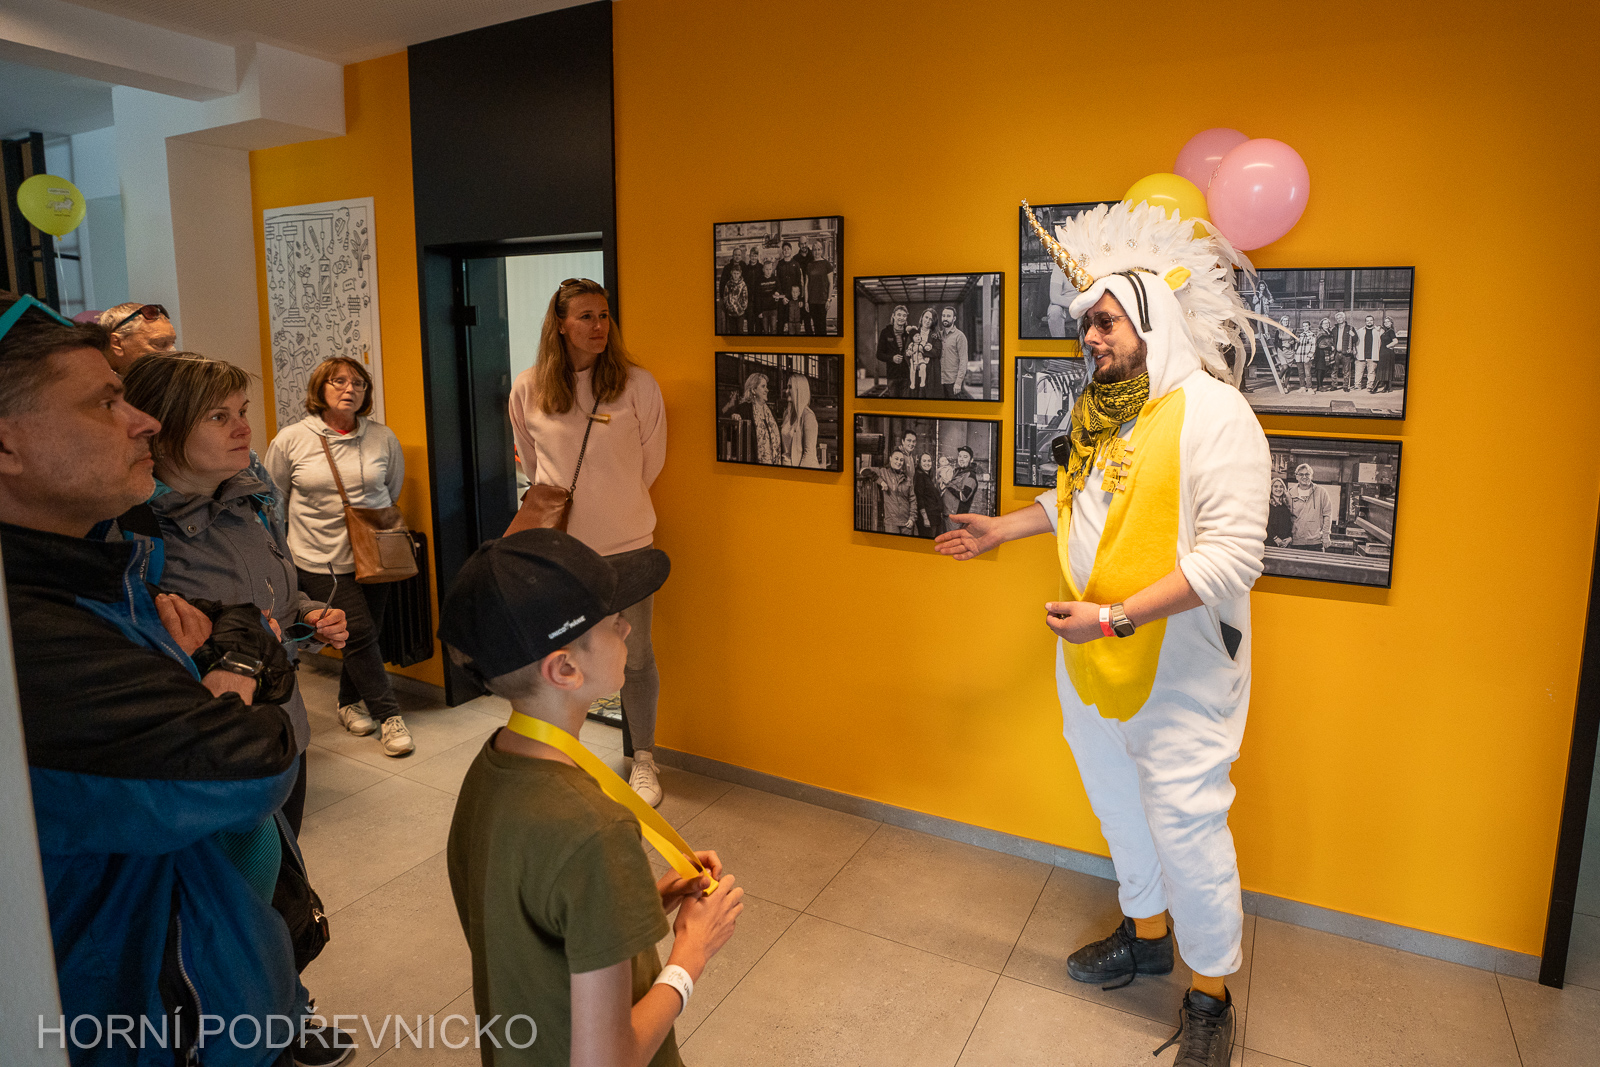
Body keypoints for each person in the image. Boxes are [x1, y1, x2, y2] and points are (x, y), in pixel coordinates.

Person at [938, 201, 1273, 1067]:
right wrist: (1003, 528)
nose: (1090, 335)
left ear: (1152, 324)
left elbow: (1233, 558)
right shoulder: (1105, 411)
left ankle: (1210, 996)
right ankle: (1148, 934)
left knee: (1188, 826)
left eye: (1107, 320)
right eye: (1086, 322)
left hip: (1179, 670)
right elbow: (1078, 501)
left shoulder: (1216, 415)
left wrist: (1117, 618)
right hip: (1089, 662)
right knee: (1119, 805)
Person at [0, 296, 323, 1066]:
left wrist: (231, 668)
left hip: (212, 973)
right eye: (106, 402)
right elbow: (250, 763)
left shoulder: (104, 571)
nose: (140, 419)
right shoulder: (34, 634)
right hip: (149, 1021)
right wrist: (231, 683)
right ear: (7, 443)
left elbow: (248, 627)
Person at [440, 530, 744, 1067]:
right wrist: (690, 955)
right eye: (612, 621)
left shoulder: (490, 769)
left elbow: (540, 932)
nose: (626, 626)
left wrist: (641, 898)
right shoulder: (594, 830)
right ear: (565, 668)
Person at [120, 354, 350, 834]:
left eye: (242, 411)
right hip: (208, 756)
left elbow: (276, 599)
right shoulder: (133, 532)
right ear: (162, 428)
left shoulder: (253, 501)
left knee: (286, 866)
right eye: (218, 416)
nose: (243, 428)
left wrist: (309, 619)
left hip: (284, 730)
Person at [509, 278, 670, 807]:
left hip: (629, 547)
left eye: (604, 316)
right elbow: (534, 467)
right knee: (566, 655)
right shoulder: (528, 388)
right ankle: (564, 754)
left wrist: (614, 505)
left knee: (635, 655)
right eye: (586, 317)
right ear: (560, 324)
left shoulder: (636, 385)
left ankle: (643, 758)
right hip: (564, 553)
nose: (599, 326)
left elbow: (651, 463)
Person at [264, 355, 414, 757]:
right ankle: (389, 715)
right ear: (321, 388)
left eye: (359, 383)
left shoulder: (382, 437)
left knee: (367, 634)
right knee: (358, 632)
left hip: (375, 555)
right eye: (339, 381)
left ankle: (348, 703)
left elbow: (391, 489)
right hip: (317, 556)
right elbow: (274, 500)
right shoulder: (292, 439)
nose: (350, 389)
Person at [97, 300, 178, 373]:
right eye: (159, 344)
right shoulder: (94, 382)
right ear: (117, 343)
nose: (173, 353)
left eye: (172, 343)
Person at [860, 449, 915, 534]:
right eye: (896, 459)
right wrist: (880, 481)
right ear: (890, 459)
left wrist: (912, 518)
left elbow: (912, 499)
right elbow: (863, 470)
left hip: (906, 522)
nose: (899, 462)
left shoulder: (907, 478)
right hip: (891, 523)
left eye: (901, 460)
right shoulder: (883, 472)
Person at [731, 372, 780, 465]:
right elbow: (734, 438)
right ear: (753, 390)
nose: (767, 390)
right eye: (763, 386)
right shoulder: (743, 409)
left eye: (766, 386)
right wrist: (734, 420)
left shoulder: (771, 412)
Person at [1286, 462, 1335, 550]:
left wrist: (1326, 535)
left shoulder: (1321, 492)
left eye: (1307, 474)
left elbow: (1327, 515)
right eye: (1301, 474)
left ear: (1311, 476)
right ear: (1296, 476)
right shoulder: (1290, 493)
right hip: (1296, 540)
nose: (1304, 477)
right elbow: (1285, 516)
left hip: (1316, 541)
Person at [779, 373, 820, 468]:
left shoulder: (808, 416)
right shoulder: (786, 414)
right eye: (787, 387)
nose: (786, 391)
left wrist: (798, 474)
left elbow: (809, 454)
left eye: (790, 387)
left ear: (799, 390)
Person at [876, 305, 911, 397]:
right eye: (899, 315)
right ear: (893, 316)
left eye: (904, 315)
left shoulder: (909, 333)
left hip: (907, 375)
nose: (901, 318)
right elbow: (879, 354)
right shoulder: (885, 332)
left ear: (906, 318)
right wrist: (892, 358)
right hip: (892, 375)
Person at [802, 238, 833, 335]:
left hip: (822, 301)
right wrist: (806, 302)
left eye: (819, 249)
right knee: (815, 326)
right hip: (812, 301)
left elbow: (831, 283)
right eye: (815, 250)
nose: (817, 252)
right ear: (812, 251)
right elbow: (806, 285)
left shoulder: (827, 264)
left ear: (822, 250)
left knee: (822, 327)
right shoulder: (809, 265)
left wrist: (828, 300)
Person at [938, 306, 969, 399]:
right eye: (943, 316)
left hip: (953, 382)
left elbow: (963, 361)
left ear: (954, 318)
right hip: (939, 381)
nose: (945, 318)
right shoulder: (938, 335)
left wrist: (958, 382)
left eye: (948, 316)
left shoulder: (960, 336)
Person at [913, 452, 945, 537]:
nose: (927, 463)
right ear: (919, 463)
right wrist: (925, 518)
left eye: (929, 461)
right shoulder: (920, 476)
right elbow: (919, 498)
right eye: (924, 461)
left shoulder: (927, 476)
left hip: (934, 517)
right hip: (928, 519)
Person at [776, 241, 804, 336]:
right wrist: (782, 297)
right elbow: (778, 283)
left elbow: (799, 282)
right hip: (783, 299)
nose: (786, 251)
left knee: (793, 323)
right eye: (784, 249)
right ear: (782, 252)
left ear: (791, 250)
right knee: (781, 322)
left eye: (788, 249)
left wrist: (799, 298)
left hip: (794, 299)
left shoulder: (796, 264)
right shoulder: (779, 264)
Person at [907, 308, 937, 396]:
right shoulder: (914, 332)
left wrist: (921, 349)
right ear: (922, 317)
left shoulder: (934, 335)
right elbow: (907, 350)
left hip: (929, 370)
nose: (927, 321)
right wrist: (910, 357)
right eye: (926, 317)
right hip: (914, 366)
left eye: (930, 319)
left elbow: (936, 352)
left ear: (933, 322)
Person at [1352, 314, 1382, 392]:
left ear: (1373, 321)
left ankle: (1370, 386)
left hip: (1373, 355)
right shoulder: (1360, 331)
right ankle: (1357, 386)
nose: (1369, 322)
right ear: (1365, 322)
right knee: (1358, 372)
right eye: (1367, 321)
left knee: (1371, 372)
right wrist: (1354, 350)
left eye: (1371, 320)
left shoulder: (1378, 331)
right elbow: (1354, 341)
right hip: (1361, 354)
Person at [949, 444, 980, 514]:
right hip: (947, 514)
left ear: (971, 460)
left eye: (965, 457)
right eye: (960, 456)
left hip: (956, 517)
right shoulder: (957, 472)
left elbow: (963, 496)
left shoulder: (971, 476)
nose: (961, 459)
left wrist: (949, 484)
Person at [720, 262, 749, 335]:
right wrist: (729, 307)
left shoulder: (743, 284)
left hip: (740, 313)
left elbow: (745, 297)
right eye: (734, 273)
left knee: (740, 330)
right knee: (732, 331)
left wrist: (742, 308)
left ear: (740, 274)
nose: (736, 275)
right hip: (731, 313)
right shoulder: (728, 284)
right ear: (731, 273)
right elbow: (725, 297)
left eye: (737, 273)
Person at [1373, 315, 1400, 393]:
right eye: (1385, 322)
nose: (1386, 323)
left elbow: (1395, 341)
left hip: (1387, 353)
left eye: (1388, 322)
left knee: (1382, 369)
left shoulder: (1391, 331)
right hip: (1383, 352)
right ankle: (1387, 387)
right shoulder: (1386, 331)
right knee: (1385, 369)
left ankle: (1375, 387)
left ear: (1391, 323)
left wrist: (1388, 346)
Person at [1330, 311, 1355, 391]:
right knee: (1334, 369)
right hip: (1336, 353)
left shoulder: (1350, 328)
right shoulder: (1334, 329)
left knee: (1346, 370)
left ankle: (1345, 386)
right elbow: (1330, 340)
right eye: (1337, 318)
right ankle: (1334, 385)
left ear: (1344, 318)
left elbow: (1355, 340)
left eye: (1340, 317)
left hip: (1346, 353)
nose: (1339, 319)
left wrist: (1353, 335)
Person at [754, 258, 780, 335]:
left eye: (770, 269)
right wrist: (759, 311)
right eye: (766, 269)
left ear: (772, 269)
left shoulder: (775, 279)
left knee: (773, 329)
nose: (768, 271)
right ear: (763, 270)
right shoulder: (759, 280)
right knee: (765, 330)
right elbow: (757, 297)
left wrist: (778, 292)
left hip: (773, 309)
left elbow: (779, 289)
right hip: (764, 310)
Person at [1045, 266, 1073, 338]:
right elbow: (1055, 297)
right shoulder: (1060, 267)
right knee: (1054, 311)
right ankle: (1059, 343)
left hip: (1086, 307)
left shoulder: (1091, 264)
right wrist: (1076, 305)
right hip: (1065, 307)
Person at [1267, 477, 1294, 547]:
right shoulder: (1267, 505)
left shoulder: (1285, 506)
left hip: (1284, 544)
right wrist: (1276, 538)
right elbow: (1267, 525)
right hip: (1270, 543)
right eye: (1275, 486)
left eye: (1281, 487)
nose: (1278, 489)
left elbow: (1289, 525)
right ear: (1271, 488)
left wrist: (1289, 538)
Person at [1293, 321, 1317, 393]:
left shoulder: (1312, 335)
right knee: (1301, 373)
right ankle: (1302, 387)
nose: (1305, 327)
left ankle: (1309, 387)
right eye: (1303, 326)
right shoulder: (1300, 335)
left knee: (1308, 373)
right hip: (1299, 356)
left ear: (1309, 326)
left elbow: (1313, 347)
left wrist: (1309, 356)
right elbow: (1297, 346)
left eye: (1306, 326)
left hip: (1307, 357)